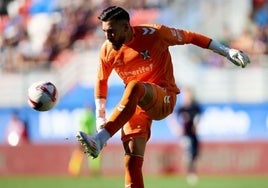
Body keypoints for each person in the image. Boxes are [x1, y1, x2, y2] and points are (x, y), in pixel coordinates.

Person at [76, 6, 250, 188]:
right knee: (131, 163)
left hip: (163, 97)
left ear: (127, 27)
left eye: (111, 31)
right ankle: (101, 137)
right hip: (135, 104)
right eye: (104, 31)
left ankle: (100, 138)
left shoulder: (156, 34)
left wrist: (226, 51)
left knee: (135, 86)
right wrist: (99, 118)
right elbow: (101, 80)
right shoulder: (107, 50)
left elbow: (190, 36)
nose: (107, 37)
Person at [175, 87, 201, 185]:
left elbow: (199, 118)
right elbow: (173, 118)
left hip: (194, 135)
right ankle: (190, 173)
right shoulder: (182, 109)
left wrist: (197, 125)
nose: (186, 97)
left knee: (195, 154)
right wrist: (177, 127)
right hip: (185, 135)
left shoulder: (195, 107)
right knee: (189, 151)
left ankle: (191, 170)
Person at [69, 105, 101, 176]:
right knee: (94, 153)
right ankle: (94, 170)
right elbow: (90, 128)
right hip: (88, 136)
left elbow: (81, 127)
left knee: (79, 153)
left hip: (82, 137)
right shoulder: (90, 116)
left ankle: (74, 170)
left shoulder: (83, 116)